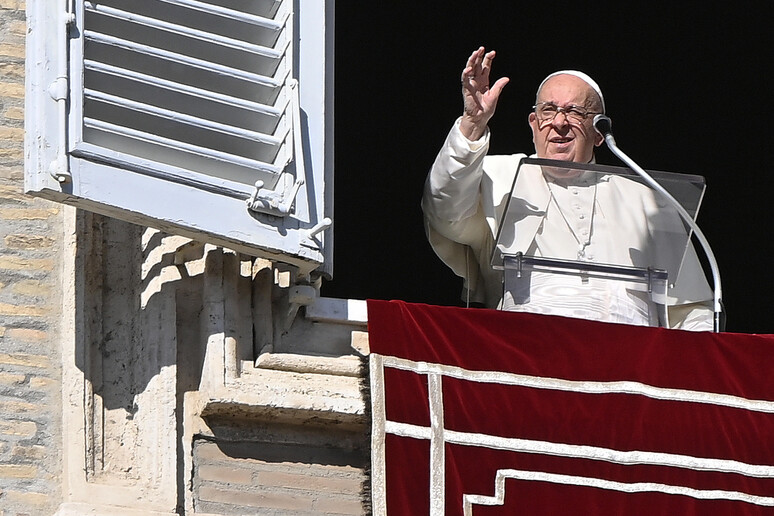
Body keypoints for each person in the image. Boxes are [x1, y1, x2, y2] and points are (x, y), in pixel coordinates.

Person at [422, 47, 713, 330]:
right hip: (526, 351)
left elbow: (690, 310)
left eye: (574, 112)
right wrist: (473, 124)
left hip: (631, 363)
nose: (559, 122)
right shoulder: (497, 177)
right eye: (548, 111)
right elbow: (445, 212)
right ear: (534, 124)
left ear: (599, 132)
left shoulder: (648, 201)